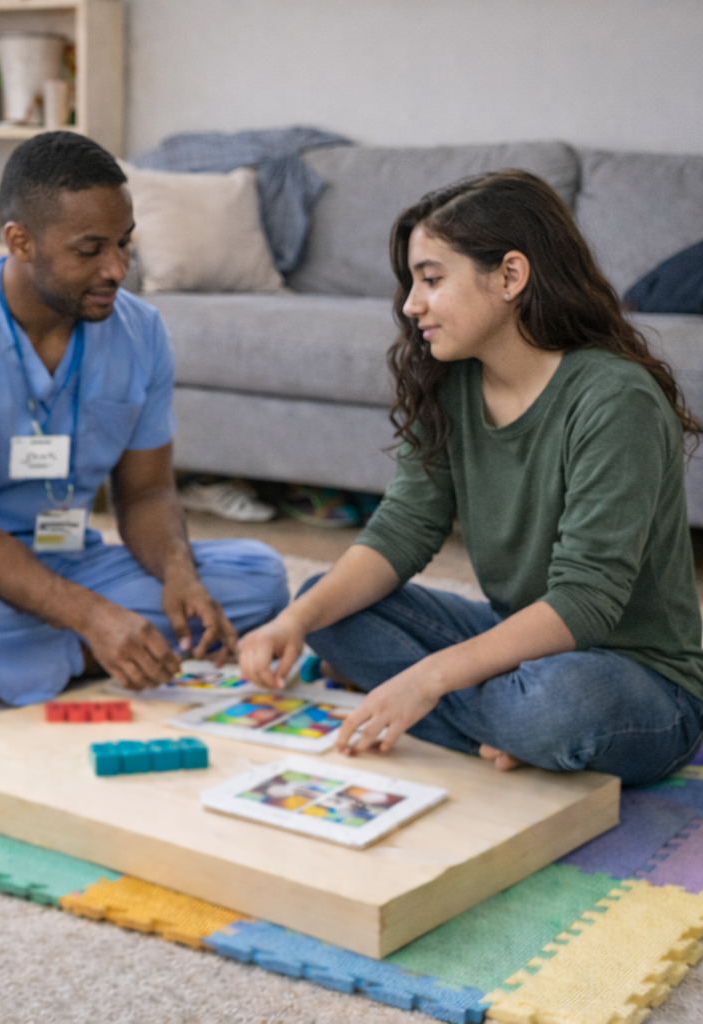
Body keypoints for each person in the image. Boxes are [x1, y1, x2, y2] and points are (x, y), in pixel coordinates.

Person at [238, 170, 703, 787]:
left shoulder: (615, 399)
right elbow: (403, 528)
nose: (410, 304)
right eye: (412, 283)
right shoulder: (450, 383)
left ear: (510, 276)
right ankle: (506, 727)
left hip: (639, 681)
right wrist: (292, 623)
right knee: (327, 606)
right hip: (521, 648)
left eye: (431, 279)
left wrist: (428, 678)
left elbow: (586, 602)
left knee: (555, 708)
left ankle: (515, 726)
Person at [0, 132, 289, 715]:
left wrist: (179, 575)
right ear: (20, 242)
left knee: (258, 578)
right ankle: (80, 657)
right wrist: (95, 618)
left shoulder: (142, 333)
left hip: (67, 557)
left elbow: (147, 493)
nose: (117, 269)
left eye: (124, 244)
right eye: (90, 250)